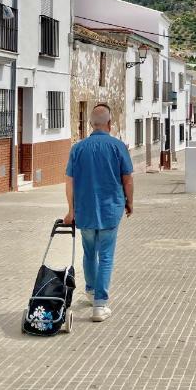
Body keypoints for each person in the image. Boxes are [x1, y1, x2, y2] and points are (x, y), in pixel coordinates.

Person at [63, 103, 134, 322]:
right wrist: (129, 202)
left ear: (91, 124)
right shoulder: (118, 147)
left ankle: (91, 291)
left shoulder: (77, 148)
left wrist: (70, 210)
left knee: (88, 253)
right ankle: (99, 305)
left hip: (84, 211)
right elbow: (127, 178)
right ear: (110, 124)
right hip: (110, 210)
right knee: (106, 257)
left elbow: (69, 182)